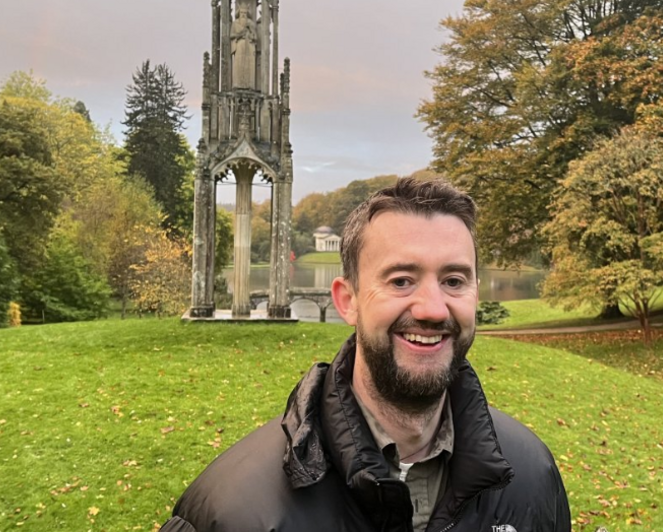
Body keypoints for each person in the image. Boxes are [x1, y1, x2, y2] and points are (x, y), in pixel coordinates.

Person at [162, 178, 571, 532]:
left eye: (453, 280)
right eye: (401, 280)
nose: (432, 308)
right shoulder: (233, 511)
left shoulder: (532, 474)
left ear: (475, 294)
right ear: (347, 300)